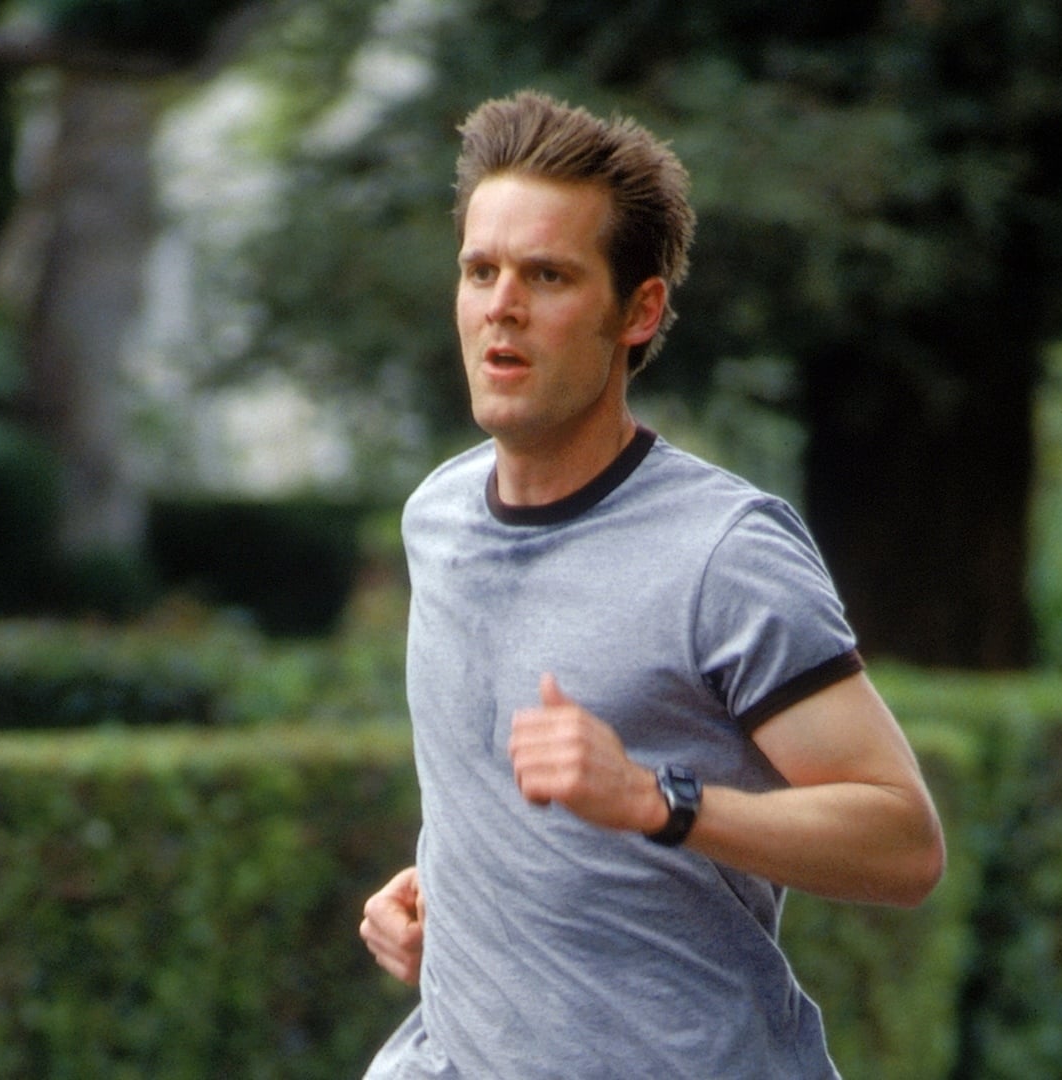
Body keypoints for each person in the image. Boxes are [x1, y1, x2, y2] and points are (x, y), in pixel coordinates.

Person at [357, 90, 946, 1078]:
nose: (502, 305)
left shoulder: (722, 553)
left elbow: (903, 844)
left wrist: (654, 798)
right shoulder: (439, 519)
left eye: (548, 275)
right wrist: (457, 915)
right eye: (480, 270)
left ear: (639, 312)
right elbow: (508, 814)